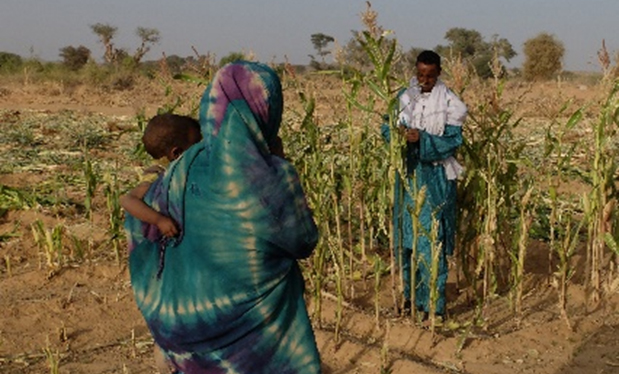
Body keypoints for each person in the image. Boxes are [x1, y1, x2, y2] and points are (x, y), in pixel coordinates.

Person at [124, 61, 322, 374]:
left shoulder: (177, 167)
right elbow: (303, 241)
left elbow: (138, 217)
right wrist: (278, 163)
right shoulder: (267, 176)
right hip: (248, 341)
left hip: (180, 327)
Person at [381, 50, 467, 320]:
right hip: (407, 177)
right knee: (408, 241)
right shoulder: (404, 99)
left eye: (430, 75)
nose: (424, 80)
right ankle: (410, 298)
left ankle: (433, 306)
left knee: (432, 242)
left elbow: (453, 141)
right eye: (420, 75)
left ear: (439, 73)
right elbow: (386, 128)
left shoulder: (451, 104)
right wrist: (399, 136)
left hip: (436, 180)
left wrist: (422, 139)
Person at [120, 113, 202, 239]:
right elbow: (128, 200)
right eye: (197, 145)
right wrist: (159, 220)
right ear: (177, 153)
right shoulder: (156, 175)